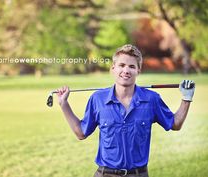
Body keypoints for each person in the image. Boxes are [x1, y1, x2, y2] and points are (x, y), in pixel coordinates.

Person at [56, 44, 195, 177]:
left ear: (138, 71)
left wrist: (186, 98)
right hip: (105, 174)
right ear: (113, 68)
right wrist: (64, 104)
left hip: (138, 174)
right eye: (121, 65)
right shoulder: (98, 99)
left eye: (132, 66)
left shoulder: (152, 99)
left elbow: (175, 124)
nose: (126, 70)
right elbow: (81, 132)